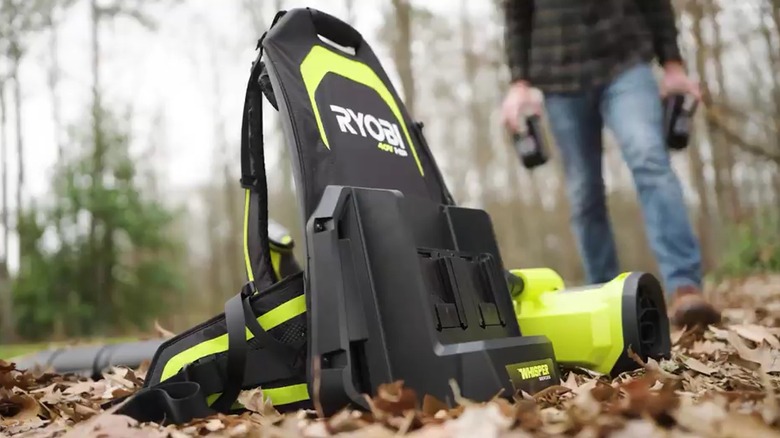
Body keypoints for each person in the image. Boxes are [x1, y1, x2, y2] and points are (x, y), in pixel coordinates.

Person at [499, 0, 721, 328]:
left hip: (626, 60)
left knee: (648, 158)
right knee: (583, 192)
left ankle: (685, 287)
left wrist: (673, 63)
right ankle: (608, 305)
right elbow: (517, 14)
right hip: (559, 77)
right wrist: (518, 83)